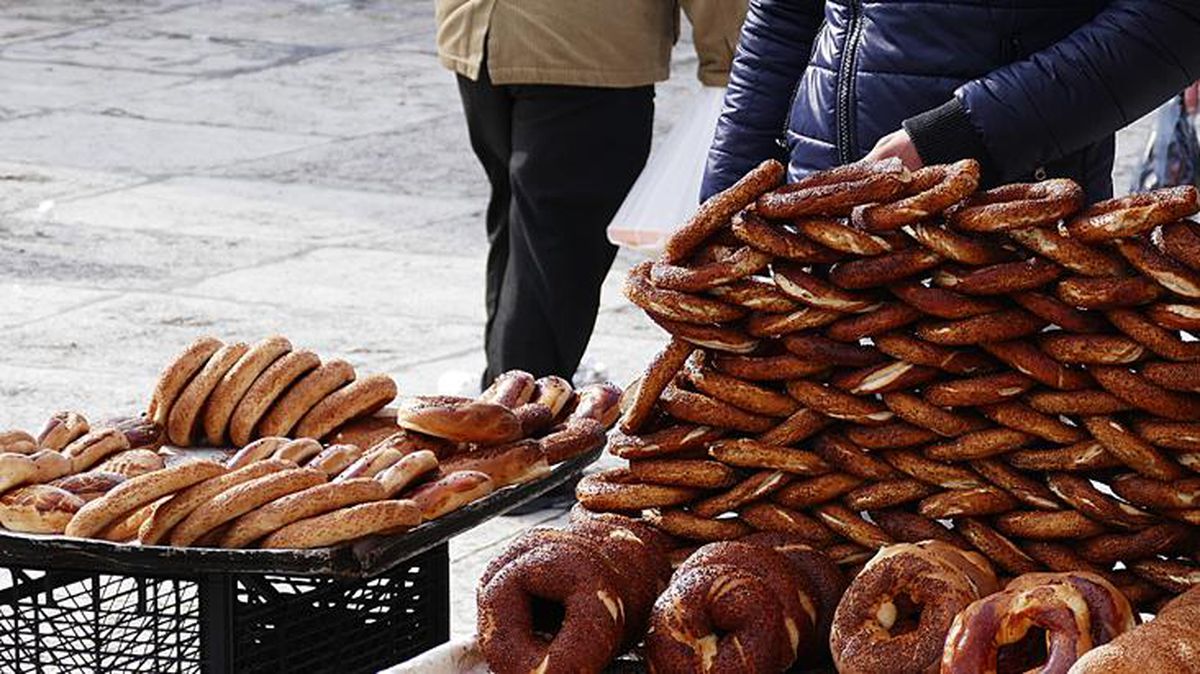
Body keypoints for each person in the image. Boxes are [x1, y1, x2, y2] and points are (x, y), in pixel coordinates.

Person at [436, 0, 747, 389]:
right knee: (555, 250)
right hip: (584, 46)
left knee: (525, 230)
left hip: (480, 36)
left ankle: (507, 386)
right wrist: (736, 59)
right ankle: (522, 413)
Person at [701, 1, 1200, 203]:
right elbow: (784, 18)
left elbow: (1174, 20)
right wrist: (723, 199)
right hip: (816, 210)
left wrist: (954, 138)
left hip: (1005, 226)